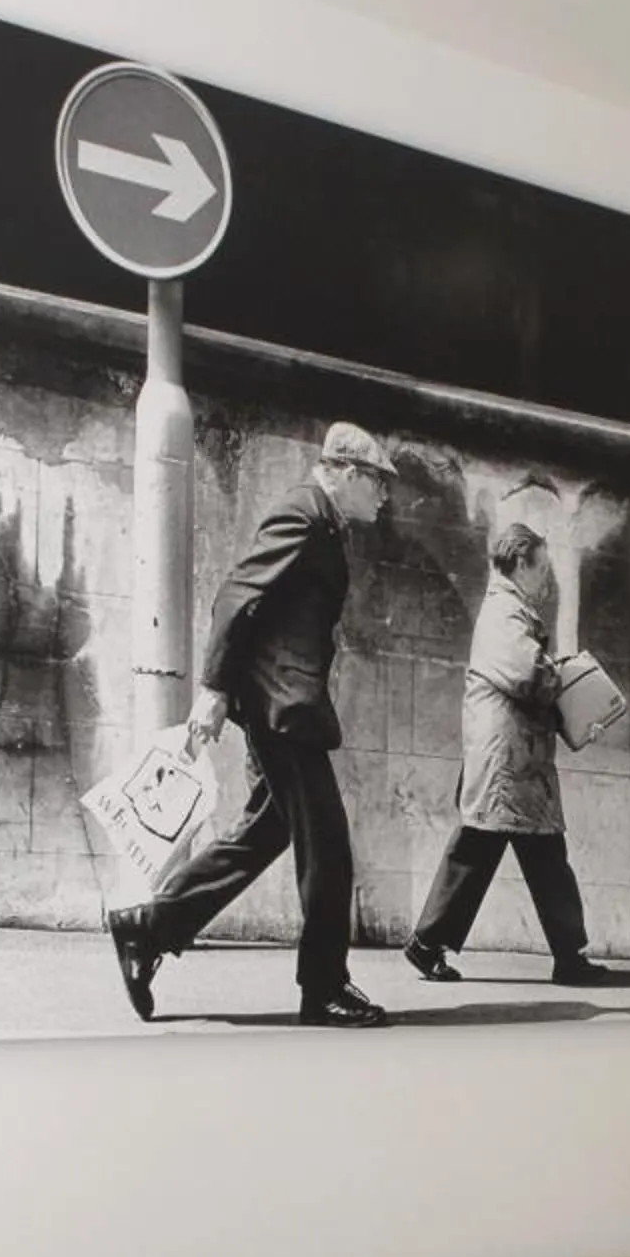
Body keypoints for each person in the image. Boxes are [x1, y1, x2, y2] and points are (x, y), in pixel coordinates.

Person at [105, 423, 395, 1029]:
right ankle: (324, 989)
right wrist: (212, 690)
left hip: (283, 705)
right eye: (377, 481)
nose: (384, 495)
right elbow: (237, 597)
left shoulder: (324, 523)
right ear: (344, 471)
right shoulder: (304, 514)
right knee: (329, 852)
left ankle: (147, 928)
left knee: (262, 836)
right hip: (280, 710)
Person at [403, 522, 616, 987]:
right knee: (502, 850)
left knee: (519, 853)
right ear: (520, 562)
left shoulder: (509, 609)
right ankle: (564, 956)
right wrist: (569, 678)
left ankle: (565, 955)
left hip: (512, 757)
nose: (546, 579)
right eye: (542, 568)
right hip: (508, 761)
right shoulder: (504, 610)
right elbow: (527, 675)